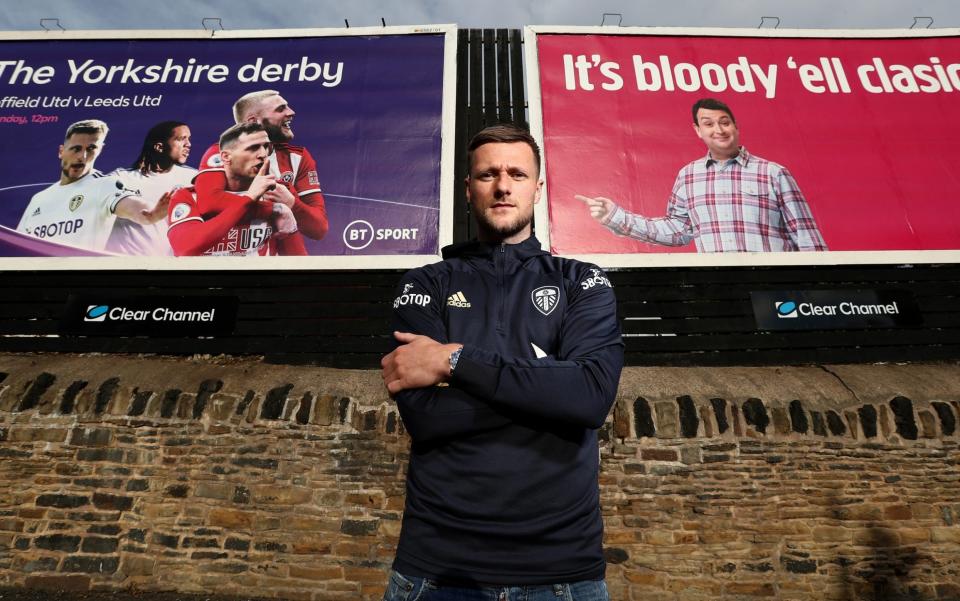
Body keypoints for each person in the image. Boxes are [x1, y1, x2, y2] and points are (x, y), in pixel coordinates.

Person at [380, 124, 623, 600]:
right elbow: (427, 415)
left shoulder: (581, 281)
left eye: (517, 173)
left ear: (538, 186)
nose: (504, 185)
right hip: (436, 570)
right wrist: (550, 390)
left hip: (563, 573)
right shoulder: (427, 283)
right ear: (469, 187)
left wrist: (455, 359)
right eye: (488, 174)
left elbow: (591, 398)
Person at [578, 98, 828, 252]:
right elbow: (677, 231)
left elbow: (807, 237)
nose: (719, 130)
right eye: (708, 124)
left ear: (735, 126)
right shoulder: (689, 176)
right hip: (720, 290)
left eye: (725, 122)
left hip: (776, 292)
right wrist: (614, 215)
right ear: (698, 131)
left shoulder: (773, 173)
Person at [194, 90, 328, 243]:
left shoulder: (298, 157)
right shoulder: (221, 153)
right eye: (280, 109)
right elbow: (208, 203)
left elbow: (319, 229)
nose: (291, 112)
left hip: (273, 260)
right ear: (253, 122)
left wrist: (292, 203)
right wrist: (276, 209)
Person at [17, 119, 166, 252]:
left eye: (91, 149)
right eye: (76, 149)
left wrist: (153, 214)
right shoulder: (38, 199)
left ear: (99, 150)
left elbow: (135, 208)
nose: (82, 156)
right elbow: (18, 246)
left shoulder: (103, 185)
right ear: (61, 151)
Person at [166, 122, 303, 256]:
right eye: (253, 148)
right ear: (225, 157)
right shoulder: (187, 196)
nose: (263, 153)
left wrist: (292, 228)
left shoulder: (277, 194)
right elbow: (185, 248)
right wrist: (249, 199)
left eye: (266, 146)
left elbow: (298, 263)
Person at [106, 121, 197, 256]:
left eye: (188, 139)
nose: (188, 144)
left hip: (168, 267)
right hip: (124, 264)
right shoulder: (121, 178)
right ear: (159, 147)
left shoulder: (193, 178)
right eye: (181, 139)